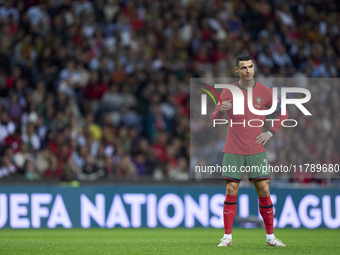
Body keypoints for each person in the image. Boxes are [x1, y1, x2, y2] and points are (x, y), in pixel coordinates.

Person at [211, 54, 288, 247]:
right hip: (233, 148)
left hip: (256, 148)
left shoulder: (265, 91)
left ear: (254, 68)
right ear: (236, 70)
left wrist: (270, 133)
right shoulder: (229, 92)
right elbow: (214, 117)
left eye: (250, 67)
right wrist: (221, 110)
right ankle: (227, 237)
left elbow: (284, 112)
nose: (248, 71)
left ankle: (270, 237)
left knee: (264, 190)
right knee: (231, 189)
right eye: (243, 67)